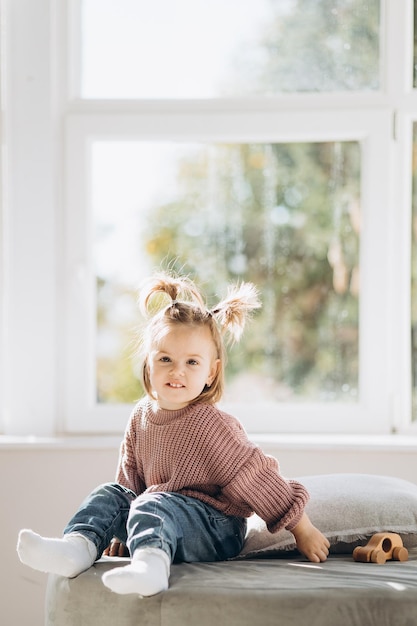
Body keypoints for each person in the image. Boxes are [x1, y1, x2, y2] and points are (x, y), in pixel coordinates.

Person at [17, 271, 330, 597]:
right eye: (165, 358)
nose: (177, 370)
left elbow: (257, 477)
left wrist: (302, 529)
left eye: (192, 362)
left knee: (153, 503)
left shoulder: (210, 425)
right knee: (110, 493)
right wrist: (118, 535)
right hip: (159, 513)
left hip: (215, 527)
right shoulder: (140, 416)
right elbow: (130, 483)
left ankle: (151, 565)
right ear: (149, 364)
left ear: (212, 371)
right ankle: (77, 547)